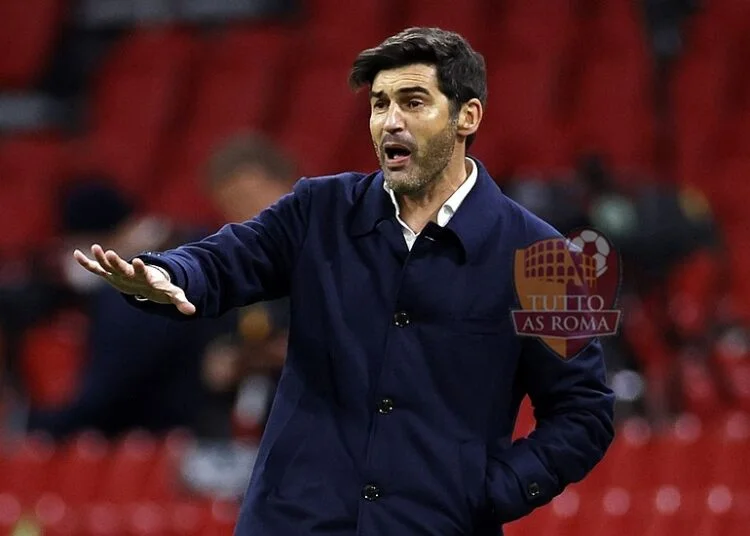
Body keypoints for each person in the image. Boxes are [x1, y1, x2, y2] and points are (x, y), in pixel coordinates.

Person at [73, 28, 615, 535]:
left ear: (467, 116)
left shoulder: (543, 257)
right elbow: (224, 260)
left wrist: (486, 495)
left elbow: (584, 412)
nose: (390, 121)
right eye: (380, 104)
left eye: (413, 102)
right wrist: (169, 274)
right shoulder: (318, 209)